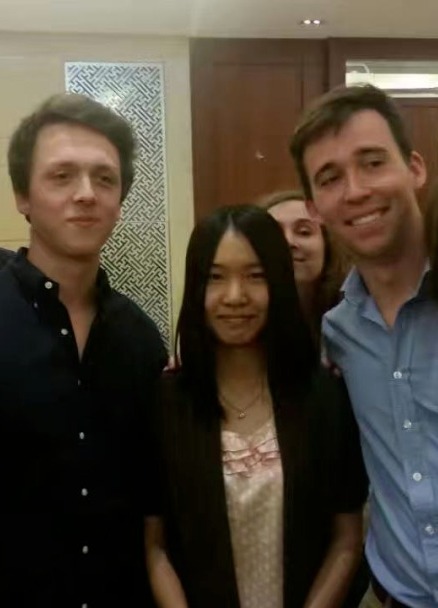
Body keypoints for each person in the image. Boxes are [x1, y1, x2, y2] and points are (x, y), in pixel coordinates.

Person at [145, 205, 367, 608]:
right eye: (215, 277)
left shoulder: (324, 395)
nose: (235, 296)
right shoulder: (168, 401)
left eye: (255, 276)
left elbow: (346, 539)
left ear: (278, 283)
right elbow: (156, 547)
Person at [1, 93, 166, 607]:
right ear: (23, 196)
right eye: (62, 176)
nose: (87, 194)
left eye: (105, 179)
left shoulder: (140, 339)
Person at [290, 83, 437, 608]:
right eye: (330, 178)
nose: (355, 191)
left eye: (373, 163)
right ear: (315, 206)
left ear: (414, 168)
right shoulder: (337, 334)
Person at [258, 189, 348, 343]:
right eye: (273, 232)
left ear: (327, 245)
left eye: (304, 232)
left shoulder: (355, 318)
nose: (288, 241)